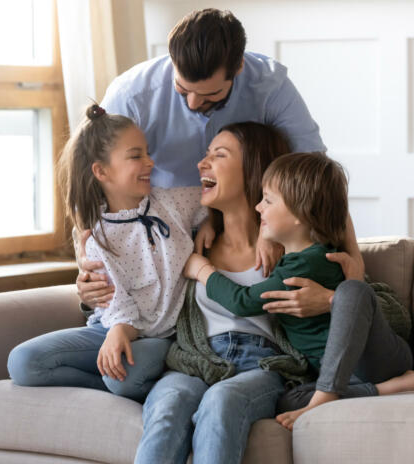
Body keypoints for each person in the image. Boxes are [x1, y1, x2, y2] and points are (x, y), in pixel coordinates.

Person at [78, 7, 367, 308]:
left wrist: (353, 264)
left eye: (209, 95)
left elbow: (319, 179)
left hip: (249, 223)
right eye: (182, 89)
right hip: (159, 232)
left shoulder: (271, 87)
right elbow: (91, 184)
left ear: (238, 68)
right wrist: (87, 263)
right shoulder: (132, 94)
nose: (192, 103)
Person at [184, 152, 414, 431]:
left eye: (267, 200)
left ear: (301, 214)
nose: (257, 207)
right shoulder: (291, 261)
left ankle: (332, 393)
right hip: (341, 375)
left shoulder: (314, 260)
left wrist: (203, 270)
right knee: (288, 399)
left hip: (376, 358)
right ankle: (385, 388)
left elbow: (241, 302)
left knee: (353, 291)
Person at [7, 104, 208, 402]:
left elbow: (216, 198)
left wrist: (212, 221)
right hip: (111, 328)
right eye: (136, 156)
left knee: (125, 376)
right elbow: (113, 299)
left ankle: (133, 379)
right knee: (23, 363)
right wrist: (119, 332)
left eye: (147, 152)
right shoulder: (93, 233)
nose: (150, 162)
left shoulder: (172, 203)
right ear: (101, 171)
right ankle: (112, 385)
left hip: (159, 337)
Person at [134, 122, 305, 464]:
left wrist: (332, 296)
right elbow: (131, 268)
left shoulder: (292, 242)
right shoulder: (188, 239)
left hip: (262, 365)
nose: (202, 163)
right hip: (195, 360)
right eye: (206, 154)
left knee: (223, 400)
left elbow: (354, 293)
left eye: (219, 155)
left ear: (254, 169)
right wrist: (90, 286)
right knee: (168, 406)